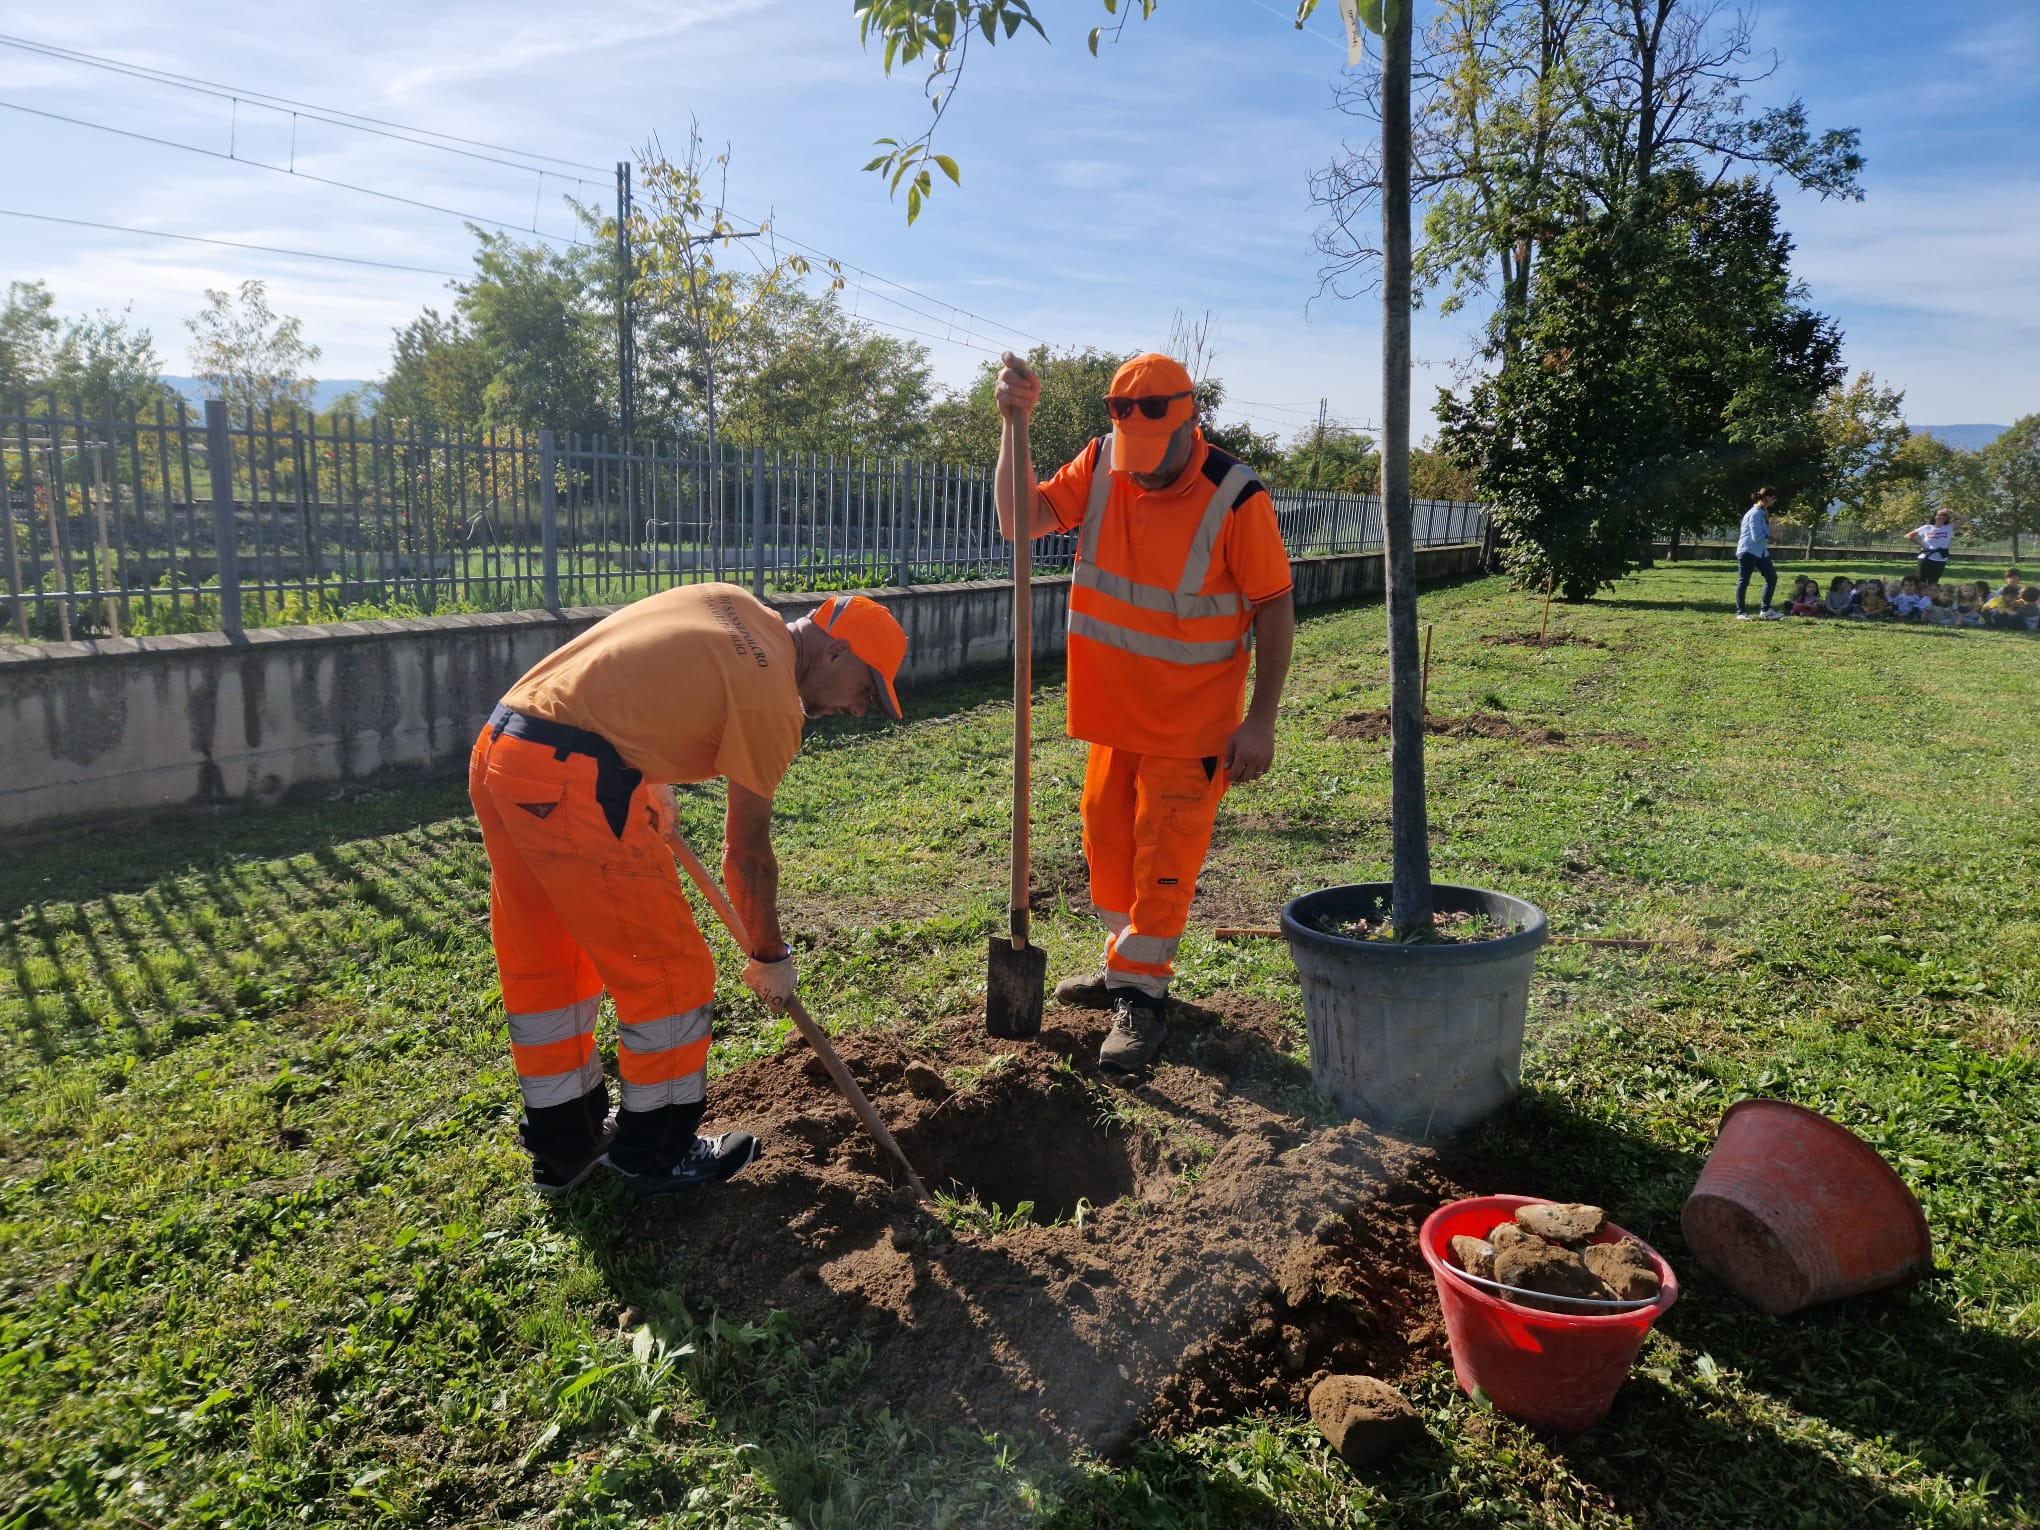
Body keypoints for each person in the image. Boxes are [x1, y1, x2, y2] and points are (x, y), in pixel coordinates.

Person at [469, 584, 908, 1197]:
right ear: (835, 653)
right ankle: (657, 1153)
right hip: (577, 779)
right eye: (866, 690)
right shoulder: (772, 700)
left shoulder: (736, 605)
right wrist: (769, 954)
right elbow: (747, 857)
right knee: (670, 972)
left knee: (549, 964)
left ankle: (564, 1145)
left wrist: (646, 772)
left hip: (506, 748)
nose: (860, 710)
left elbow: (641, 670)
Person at [994, 351, 1296, 1073]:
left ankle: (1145, 998)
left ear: (1193, 423)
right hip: (1112, 718)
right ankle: (1119, 966)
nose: (1144, 470)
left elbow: (1274, 605)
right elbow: (1018, 521)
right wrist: (1015, 424)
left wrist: (1262, 719)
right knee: (1109, 849)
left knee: (1163, 862)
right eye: (1135, 454)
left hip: (1191, 727)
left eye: (1158, 457)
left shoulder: (1235, 494)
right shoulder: (1104, 462)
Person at [1733, 486, 1783, 620]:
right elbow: (1757, 536)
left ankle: (1766, 610)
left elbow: (1762, 535)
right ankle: (1741, 612)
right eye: (1773, 498)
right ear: (1767, 498)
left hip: (1760, 552)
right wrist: (1773, 532)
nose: (1775, 501)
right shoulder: (1755, 513)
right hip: (1748, 551)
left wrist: (1773, 537)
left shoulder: (1762, 512)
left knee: (1772, 577)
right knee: (1744, 581)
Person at [1905, 508, 1955, 586]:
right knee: (1920, 583)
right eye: (1939, 514)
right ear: (1935, 516)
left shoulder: (1948, 527)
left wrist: (1950, 511)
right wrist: (1923, 546)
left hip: (1940, 559)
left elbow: (1964, 519)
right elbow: (1908, 536)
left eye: (1944, 515)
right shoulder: (1926, 528)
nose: (1942, 517)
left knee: (1933, 584)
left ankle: (1929, 598)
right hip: (1926, 558)